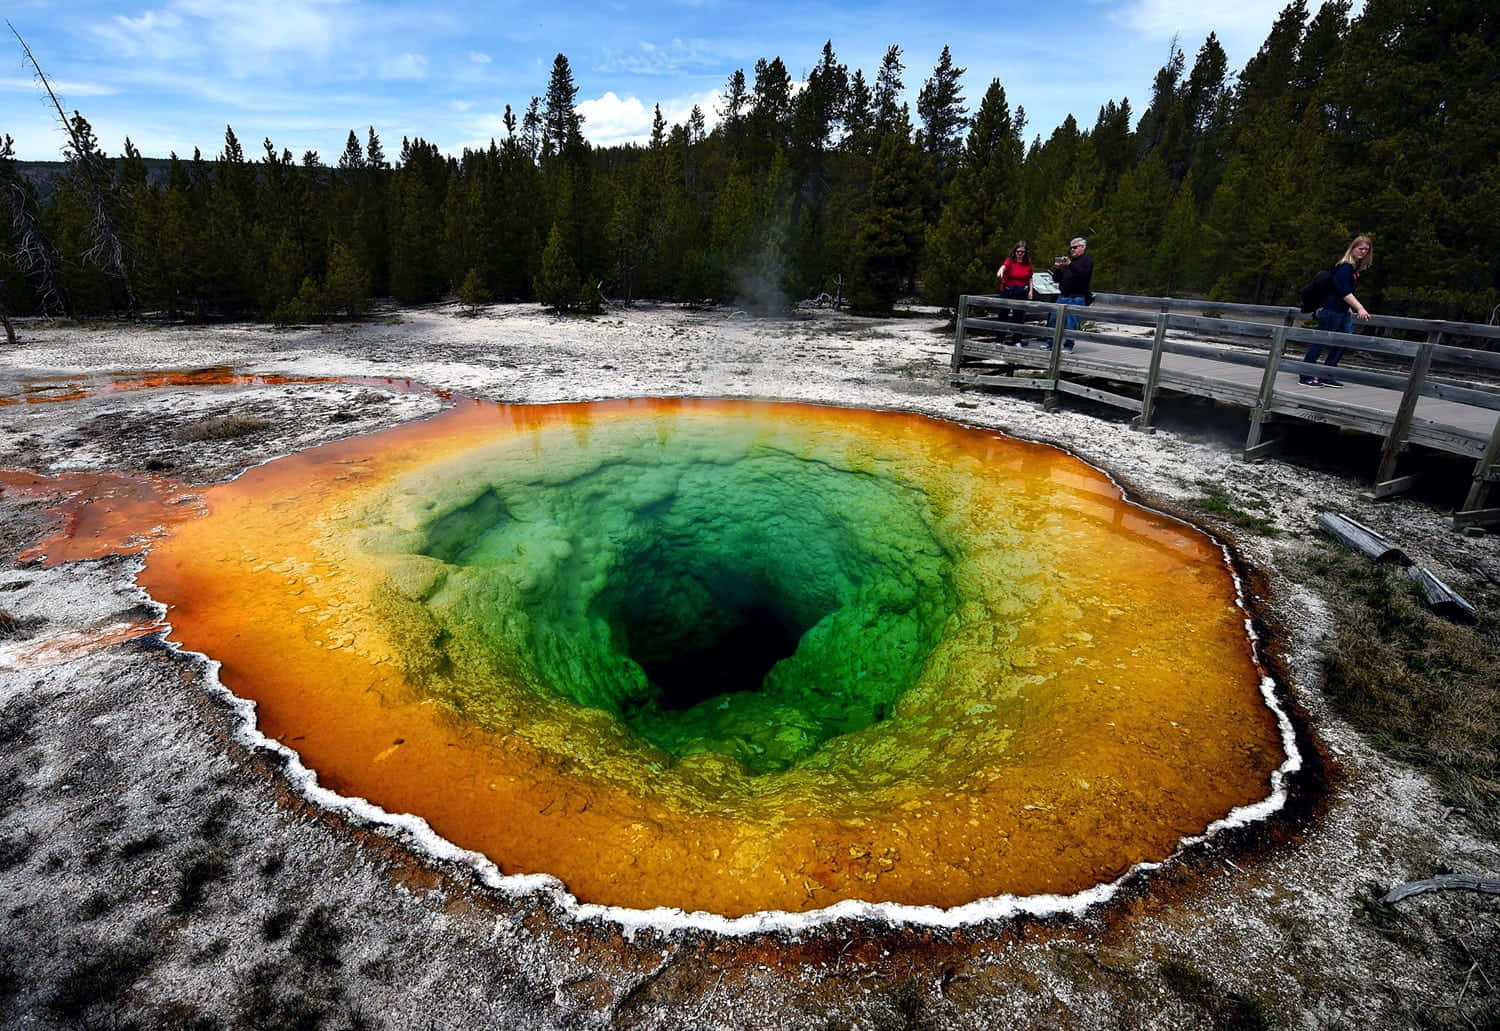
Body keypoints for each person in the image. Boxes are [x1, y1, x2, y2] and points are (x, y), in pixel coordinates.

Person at [1301, 235, 1373, 387]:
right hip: (1331, 311)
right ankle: (1305, 375)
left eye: (1366, 250)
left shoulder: (1354, 268)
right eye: (1360, 249)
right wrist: (1359, 307)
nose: (1363, 252)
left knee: (1343, 342)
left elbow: (1342, 291)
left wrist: (1347, 307)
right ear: (1352, 248)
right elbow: (1343, 291)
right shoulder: (1345, 267)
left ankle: (1326, 375)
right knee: (1320, 342)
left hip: (1341, 311)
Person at [1048, 237, 1094, 351]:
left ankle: (1068, 346)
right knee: (1053, 321)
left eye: (1075, 247)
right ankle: (1051, 344)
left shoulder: (1087, 261)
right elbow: (1056, 279)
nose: (1072, 250)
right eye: (1071, 248)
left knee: (1071, 324)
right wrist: (1058, 268)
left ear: (1082, 247)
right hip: (1063, 296)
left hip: (1077, 297)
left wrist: (1070, 265)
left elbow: (1083, 274)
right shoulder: (1069, 262)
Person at [995, 241, 1034, 343]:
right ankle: (1000, 339)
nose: (1020, 253)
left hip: (1021, 291)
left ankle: (1017, 340)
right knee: (1003, 315)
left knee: (1019, 317)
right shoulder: (1010, 260)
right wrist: (1001, 270)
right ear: (1014, 251)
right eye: (1018, 251)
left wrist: (1031, 291)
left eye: (1022, 252)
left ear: (1025, 253)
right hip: (1008, 290)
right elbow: (1004, 266)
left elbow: (1030, 278)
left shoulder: (1028, 262)